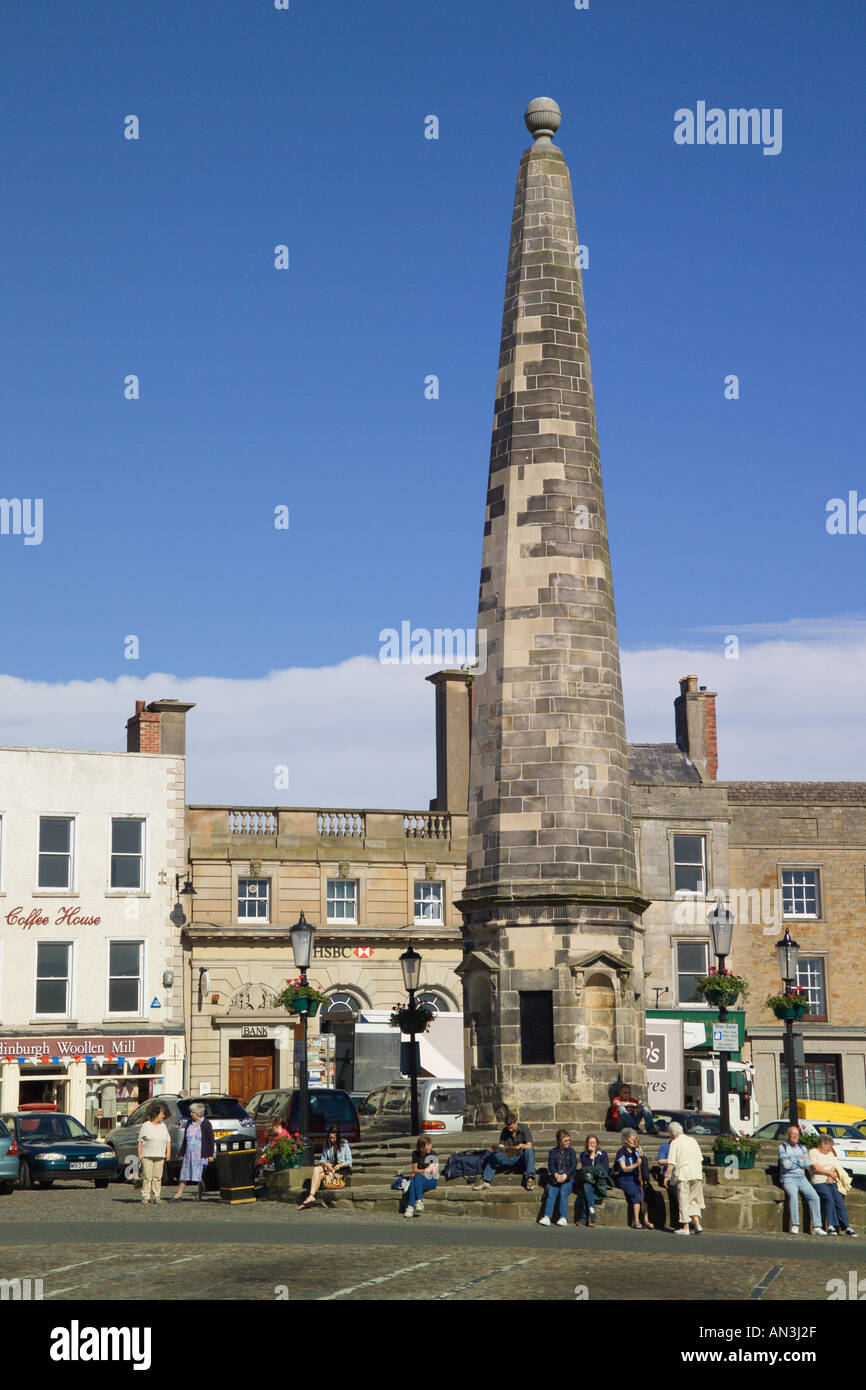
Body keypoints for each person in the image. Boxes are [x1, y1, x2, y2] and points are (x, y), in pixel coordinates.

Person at [778, 1124, 825, 1235]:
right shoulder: (782, 1147)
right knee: (793, 1196)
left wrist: (792, 1160)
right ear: (788, 1135)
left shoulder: (802, 1147)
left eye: (797, 1134)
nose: (795, 1136)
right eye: (792, 1134)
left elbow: (807, 1163)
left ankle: (817, 1227)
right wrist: (800, 1160)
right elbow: (785, 1165)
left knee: (815, 1197)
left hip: (802, 1178)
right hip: (788, 1178)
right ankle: (795, 1225)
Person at [809, 1133, 857, 1237]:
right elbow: (815, 1167)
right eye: (829, 1145)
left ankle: (846, 1226)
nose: (830, 1148)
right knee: (828, 1198)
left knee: (838, 1198)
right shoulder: (813, 1152)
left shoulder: (830, 1154)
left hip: (831, 1180)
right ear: (822, 1144)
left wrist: (832, 1176)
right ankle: (832, 1225)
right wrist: (829, 1173)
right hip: (819, 1181)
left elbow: (835, 1167)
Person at [474, 1115, 536, 1192]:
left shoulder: (524, 1128)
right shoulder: (505, 1131)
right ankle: (486, 1181)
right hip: (510, 1156)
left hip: (522, 1157)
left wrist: (521, 1146)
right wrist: (498, 1149)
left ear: (516, 1122)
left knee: (529, 1151)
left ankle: (530, 1178)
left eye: (511, 1127)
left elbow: (529, 1145)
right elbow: (501, 1146)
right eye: (508, 1128)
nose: (510, 1130)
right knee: (494, 1156)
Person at [663, 1120, 705, 1234]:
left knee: (684, 1200)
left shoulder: (675, 1143)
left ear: (672, 1133)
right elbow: (700, 1158)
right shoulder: (693, 1140)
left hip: (684, 1174)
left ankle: (685, 1227)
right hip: (696, 1173)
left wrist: (666, 1176)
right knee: (694, 1200)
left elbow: (671, 1162)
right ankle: (697, 1225)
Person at [298, 1124, 353, 1209]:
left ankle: (311, 1196)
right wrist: (325, 1164)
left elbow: (349, 1161)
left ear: (337, 1137)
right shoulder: (326, 1144)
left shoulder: (344, 1144)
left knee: (320, 1175)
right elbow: (322, 1159)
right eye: (330, 1138)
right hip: (331, 1167)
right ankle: (311, 1196)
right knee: (316, 1169)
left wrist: (340, 1165)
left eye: (334, 1138)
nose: (332, 1140)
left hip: (341, 1169)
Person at [175, 1102, 215, 1201]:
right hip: (189, 1154)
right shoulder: (189, 1123)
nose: (191, 1114)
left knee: (199, 1175)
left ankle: (199, 1195)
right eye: (191, 1112)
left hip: (201, 1154)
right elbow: (185, 1139)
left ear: (198, 1113)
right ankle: (178, 1194)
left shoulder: (206, 1124)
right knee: (184, 1174)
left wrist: (210, 1154)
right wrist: (181, 1152)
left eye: (193, 1112)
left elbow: (210, 1140)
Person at [615, 1128, 652, 1229]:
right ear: (626, 1140)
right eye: (632, 1139)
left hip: (635, 1178)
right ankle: (636, 1220)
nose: (634, 1141)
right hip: (625, 1178)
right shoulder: (621, 1152)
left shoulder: (636, 1151)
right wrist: (635, 1164)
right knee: (636, 1194)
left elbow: (643, 1164)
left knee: (643, 1195)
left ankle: (646, 1220)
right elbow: (624, 1168)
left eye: (635, 1139)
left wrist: (641, 1156)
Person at [539, 1129, 577, 1227]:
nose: (568, 1142)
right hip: (556, 1178)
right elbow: (551, 1165)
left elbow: (573, 1165)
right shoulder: (553, 1152)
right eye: (566, 1140)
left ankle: (563, 1217)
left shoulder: (571, 1152)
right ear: (559, 1141)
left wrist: (565, 1174)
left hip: (568, 1179)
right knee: (551, 1192)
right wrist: (556, 1174)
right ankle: (547, 1216)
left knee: (563, 1192)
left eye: (569, 1140)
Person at [137, 1101, 171, 1205]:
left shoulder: (163, 1126)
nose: (163, 1116)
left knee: (157, 1177)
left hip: (159, 1155)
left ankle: (157, 1196)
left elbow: (167, 1140)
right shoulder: (146, 1125)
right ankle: (146, 1196)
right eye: (162, 1114)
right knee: (147, 1176)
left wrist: (168, 1153)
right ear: (156, 1114)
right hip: (147, 1155)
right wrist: (139, 1154)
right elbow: (140, 1140)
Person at [577, 1134, 609, 1226]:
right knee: (586, 1186)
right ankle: (591, 1212)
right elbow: (585, 1168)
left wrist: (593, 1170)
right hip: (588, 1181)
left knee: (585, 1192)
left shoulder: (603, 1154)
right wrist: (591, 1157)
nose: (592, 1144)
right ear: (587, 1144)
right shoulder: (583, 1155)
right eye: (590, 1142)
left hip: (599, 1181)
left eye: (593, 1143)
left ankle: (584, 1218)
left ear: (597, 1144)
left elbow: (604, 1169)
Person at [403, 1136, 439, 1218]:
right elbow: (415, 1169)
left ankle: (410, 1207)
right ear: (421, 1147)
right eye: (428, 1145)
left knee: (414, 1179)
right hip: (420, 1179)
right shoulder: (415, 1154)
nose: (430, 1147)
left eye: (430, 1144)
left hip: (431, 1180)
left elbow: (430, 1172)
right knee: (414, 1180)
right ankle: (417, 1203)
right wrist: (421, 1171)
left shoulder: (433, 1154)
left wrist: (418, 1172)